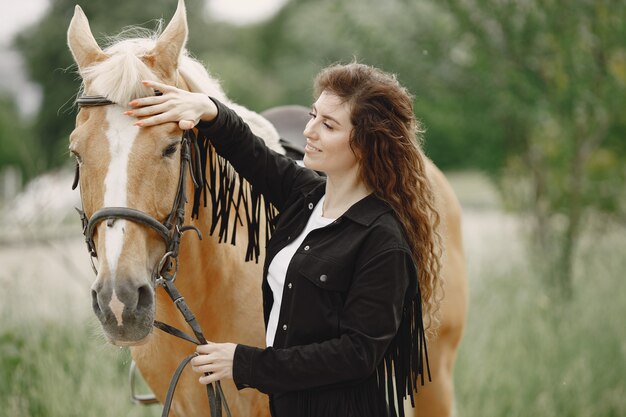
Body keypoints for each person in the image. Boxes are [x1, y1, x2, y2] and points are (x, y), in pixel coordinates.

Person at [127, 62, 442, 417]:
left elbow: (357, 355)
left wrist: (244, 362)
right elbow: (250, 153)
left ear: (366, 143)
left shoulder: (382, 240)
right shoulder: (306, 196)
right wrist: (208, 110)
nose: (309, 131)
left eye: (328, 124)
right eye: (313, 115)